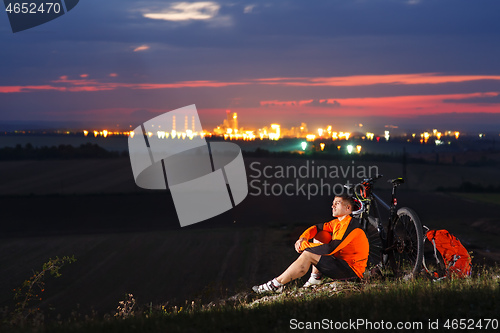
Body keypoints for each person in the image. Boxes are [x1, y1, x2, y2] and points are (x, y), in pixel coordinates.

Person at [252, 193, 369, 293]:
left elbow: (330, 249)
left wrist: (305, 247)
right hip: (341, 265)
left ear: (348, 208)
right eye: (333, 203)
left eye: (337, 203)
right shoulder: (337, 223)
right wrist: (302, 238)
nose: (332, 205)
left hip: (351, 274)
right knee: (321, 235)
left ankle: (276, 285)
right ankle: (315, 278)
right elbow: (316, 228)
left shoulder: (351, 226)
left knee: (308, 254)